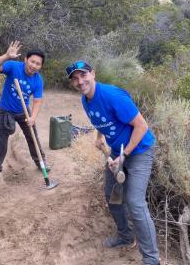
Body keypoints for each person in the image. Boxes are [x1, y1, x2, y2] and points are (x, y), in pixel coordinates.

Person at [65, 60, 160, 265]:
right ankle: (125, 236)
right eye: (75, 78)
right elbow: (101, 119)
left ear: (93, 74)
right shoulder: (85, 99)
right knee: (112, 195)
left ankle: (152, 258)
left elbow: (141, 126)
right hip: (118, 152)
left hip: (140, 150)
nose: (80, 81)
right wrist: (100, 136)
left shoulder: (112, 95)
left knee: (135, 203)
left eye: (83, 75)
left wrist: (123, 155)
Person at [0, 41, 49, 181]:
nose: (34, 66)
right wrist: (7, 56)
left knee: (33, 136)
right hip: (6, 110)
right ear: (26, 60)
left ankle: (41, 163)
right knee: (1, 140)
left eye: (38, 64)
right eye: (32, 61)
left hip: (23, 111)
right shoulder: (14, 67)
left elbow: (37, 101)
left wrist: (32, 117)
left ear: (41, 66)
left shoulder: (38, 81)